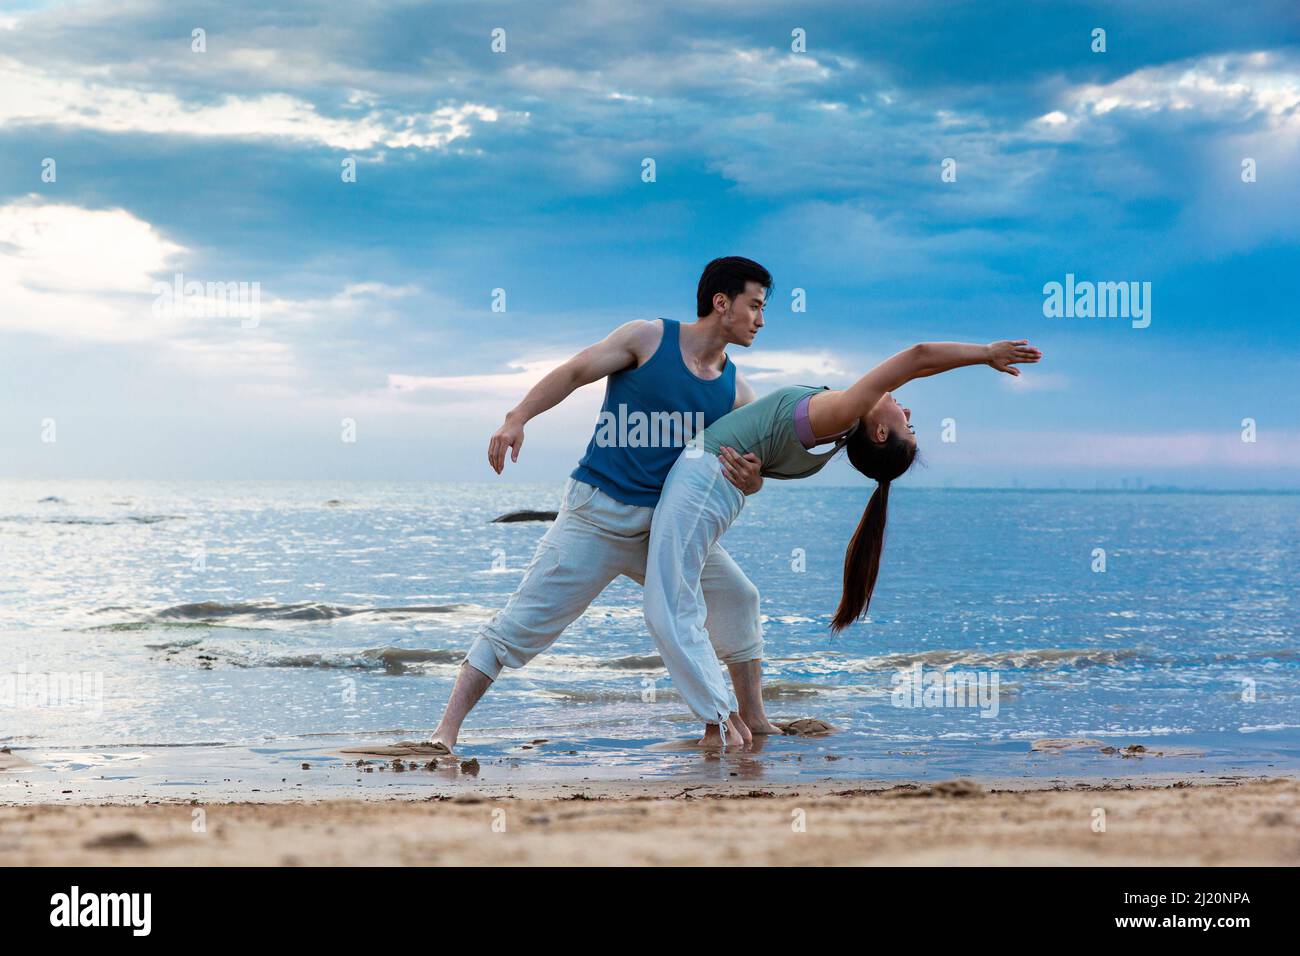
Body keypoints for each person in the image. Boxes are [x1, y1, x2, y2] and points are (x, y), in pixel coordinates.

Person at [424, 257, 783, 753]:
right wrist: (516, 417)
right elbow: (575, 372)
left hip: (665, 531)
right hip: (596, 516)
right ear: (722, 303)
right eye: (755, 306)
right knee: (520, 625)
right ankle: (445, 732)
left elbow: (749, 472)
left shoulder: (737, 392)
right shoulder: (648, 339)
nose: (761, 320)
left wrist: (753, 481)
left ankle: (754, 717)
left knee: (739, 597)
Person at [644, 339, 1043, 748]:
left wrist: (986, 354)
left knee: (671, 604)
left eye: (908, 425)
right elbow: (761, 460)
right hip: (711, 484)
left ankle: (721, 725)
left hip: (704, 480)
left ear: (881, 431)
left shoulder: (843, 412)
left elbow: (917, 357)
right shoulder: (834, 427)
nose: (907, 411)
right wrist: (756, 479)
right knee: (740, 598)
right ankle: (755, 719)